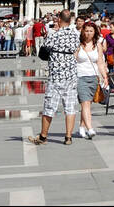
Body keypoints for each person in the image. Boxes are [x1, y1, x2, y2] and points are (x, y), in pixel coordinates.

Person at [29, 10, 80, 146]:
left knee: (49, 107)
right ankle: (68, 136)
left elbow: (42, 54)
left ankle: (43, 136)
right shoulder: (75, 36)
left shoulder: (53, 36)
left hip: (56, 76)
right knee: (70, 107)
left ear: (58, 20)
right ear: (70, 20)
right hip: (71, 75)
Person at [73, 22, 107, 138]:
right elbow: (73, 61)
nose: (88, 33)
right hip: (80, 77)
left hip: (93, 77)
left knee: (87, 104)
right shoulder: (78, 45)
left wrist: (105, 77)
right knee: (85, 103)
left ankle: (82, 127)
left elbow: (100, 63)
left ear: (95, 32)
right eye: (86, 31)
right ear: (83, 31)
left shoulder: (98, 45)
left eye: (91, 31)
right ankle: (90, 128)